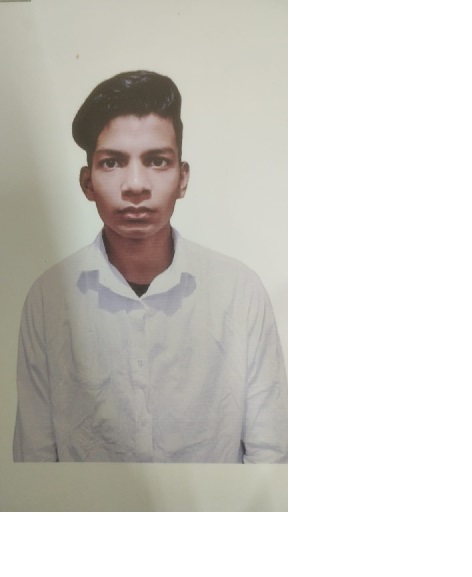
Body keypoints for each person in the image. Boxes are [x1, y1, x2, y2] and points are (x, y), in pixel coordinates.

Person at [13, 70, 287, 463]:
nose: (136, 185)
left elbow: (271, 457)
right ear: (87, 182)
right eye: (112, 162)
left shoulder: (240, 292)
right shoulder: (49, 297)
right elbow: (35, 461)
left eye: (157, 161)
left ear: (182, 178)